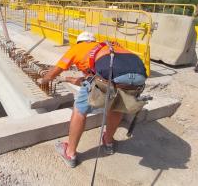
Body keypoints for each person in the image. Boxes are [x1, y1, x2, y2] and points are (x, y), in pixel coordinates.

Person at [39, 31, 147, 168]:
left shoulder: (77, 48)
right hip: (139, 75)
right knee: (118, 105)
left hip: (113, 75)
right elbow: (88, 80)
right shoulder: (106, 47)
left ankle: (70, 153)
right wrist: (67, 79)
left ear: (79, 42)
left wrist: (44, 80)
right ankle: (108, 142)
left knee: (79, 110)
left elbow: (56, 70)